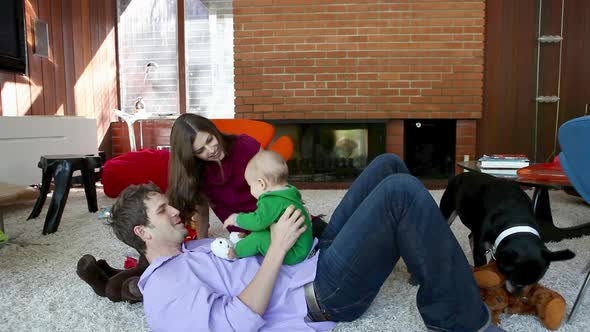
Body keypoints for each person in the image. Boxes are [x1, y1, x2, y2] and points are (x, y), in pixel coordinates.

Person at [108, 154, 505, 332]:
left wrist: (279, 227)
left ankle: (432, 269)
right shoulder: (164, 286)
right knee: (399, 191)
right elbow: (234, 323)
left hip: (313, 255)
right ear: (142, 233)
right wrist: (277, 248)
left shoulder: (191, 250)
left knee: (387, 165)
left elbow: (244, 251)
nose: (176, 211)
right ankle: (457, 318)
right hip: (322, 293)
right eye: (163, 212)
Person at [220, 150, 312, 265]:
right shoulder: (290, 190)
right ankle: (245, 242)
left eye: (250, 186)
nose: (250, 190)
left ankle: (235, 251)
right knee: (265, 226)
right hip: (304, 245)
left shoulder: (271, 200)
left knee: (259, 236)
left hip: (294, 253)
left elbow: (257, 221)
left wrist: (236, 219)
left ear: (261, 183)